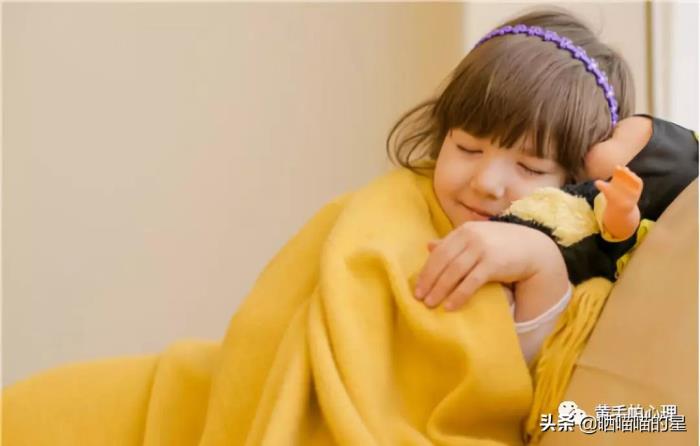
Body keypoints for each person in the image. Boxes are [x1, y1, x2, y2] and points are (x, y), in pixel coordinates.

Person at [386, 8, 646, 366]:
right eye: (468, 148)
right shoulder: (394, 207)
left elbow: (537, 380)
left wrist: (541, 262)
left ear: (576, 186)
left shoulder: (574, 278)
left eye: (530, 167)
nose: (486, 183)